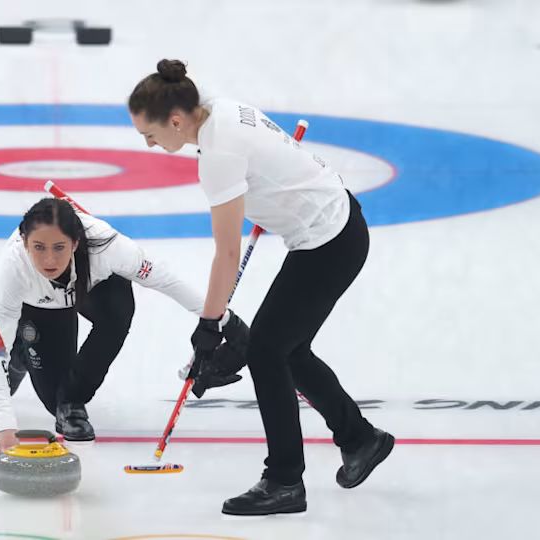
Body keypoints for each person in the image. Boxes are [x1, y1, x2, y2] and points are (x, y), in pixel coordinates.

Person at [127, 59, 394, 516]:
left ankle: (285, 481)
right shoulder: (209, 106)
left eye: (149, 134)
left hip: (329, 241)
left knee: (267, 351)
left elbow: (227, 253)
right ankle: (360, 439)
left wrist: (209, 327)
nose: (149, 144)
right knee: (288, 350)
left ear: (175, 121)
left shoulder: (219, 155)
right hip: (336, 227)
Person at [0, 197, 248, 463]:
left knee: (118, 308)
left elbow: (164, 280)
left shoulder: (109, 247)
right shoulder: (14, 266)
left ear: (75, 242)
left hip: (93, 289)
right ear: (25, 243)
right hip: (40, 304)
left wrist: (224, 319)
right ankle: (22, 355)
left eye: (59, 247)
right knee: (50, 399)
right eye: (38, 247)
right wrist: (4, 427)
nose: (49, 259)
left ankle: (72, 402)